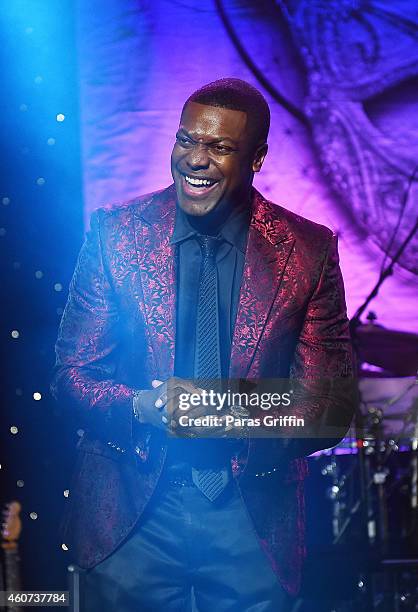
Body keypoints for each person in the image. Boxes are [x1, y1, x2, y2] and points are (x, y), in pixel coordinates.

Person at [51, 78, 355, 611]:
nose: (196, 158)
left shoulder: (308, 250)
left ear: (257, 158)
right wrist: (145, 407)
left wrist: (215, 409)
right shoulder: (115, 233)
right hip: (132, 514)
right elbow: (71, 376)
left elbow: (328, 406)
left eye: (219, 147)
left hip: (251, 515)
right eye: (187, 139)